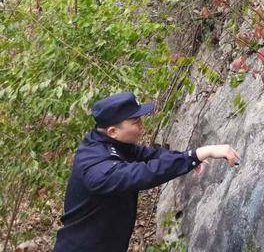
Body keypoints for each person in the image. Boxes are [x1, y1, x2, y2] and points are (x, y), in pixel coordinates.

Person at [53, 91, 240, 252]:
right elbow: (139, 174)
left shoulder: (116, 145)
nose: (142, 125)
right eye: (135, 122)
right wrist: (199, 154)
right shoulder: (94, 163)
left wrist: (189, 158)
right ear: (112, 131)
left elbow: (153, 156)